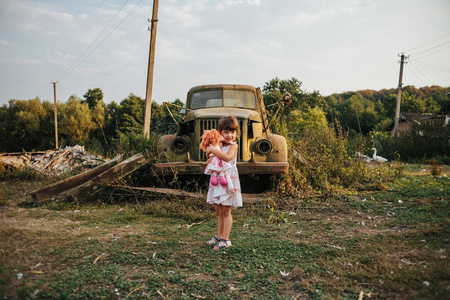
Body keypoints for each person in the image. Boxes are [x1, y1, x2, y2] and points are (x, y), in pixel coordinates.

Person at [204, 116, 242, 250]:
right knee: (219, 211)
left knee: (226, 210)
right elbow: (210, 157)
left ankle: (226, 239)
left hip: (228, 181)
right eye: (226, 132)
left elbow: (227, 157)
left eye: (233, 132)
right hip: (217, 182)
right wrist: (215, 146)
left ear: (236, 133)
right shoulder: (219, 146)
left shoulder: (233, 146)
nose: (229, 135)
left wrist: (213, 150)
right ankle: (219, 236)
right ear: (220, 133)